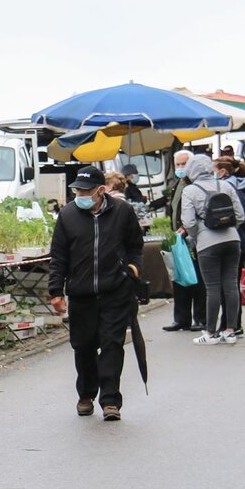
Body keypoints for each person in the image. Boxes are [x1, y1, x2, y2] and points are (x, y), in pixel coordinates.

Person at [48, 166, 143, 421]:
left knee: (112, 345)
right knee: (84, 346)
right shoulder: (68, 215)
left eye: (86, 190)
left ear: (101, 190)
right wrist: (56, 291)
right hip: (81, 294)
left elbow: (135, 245)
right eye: (78, 189)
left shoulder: (122, 211)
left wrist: (132, 270)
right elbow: (58, 257)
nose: (80, 194)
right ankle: (86, 394)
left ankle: (111, 400)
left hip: (115, 291)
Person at [181, 154, 244, 345]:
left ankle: (210, 333)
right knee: (231, 285)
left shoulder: (190, 191)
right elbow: (240, 216)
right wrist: (229, 230)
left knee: (212, 288)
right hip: (232, 240)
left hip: (207, 243)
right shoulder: (225, 186)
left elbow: (189, 222)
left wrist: (197, 235)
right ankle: (230, 331)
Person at [214, 156, 245, 337]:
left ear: (223, 171)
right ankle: (232, 323)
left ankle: (230, 324)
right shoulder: (242, 186)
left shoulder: (228, 189)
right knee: (231, 283)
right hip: (242, 241)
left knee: (227, 285)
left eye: (214, 169)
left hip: (230, 240)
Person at [162, 150, 206, 332]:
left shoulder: (195, 184)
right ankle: (181, 319)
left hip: (194, 237)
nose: (181, 168)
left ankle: (201, 318)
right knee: (180, 278)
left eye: (184, 164)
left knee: (197, 278)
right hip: (179, 238)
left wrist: (188, 229)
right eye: (178, 164)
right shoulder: (176, 184)